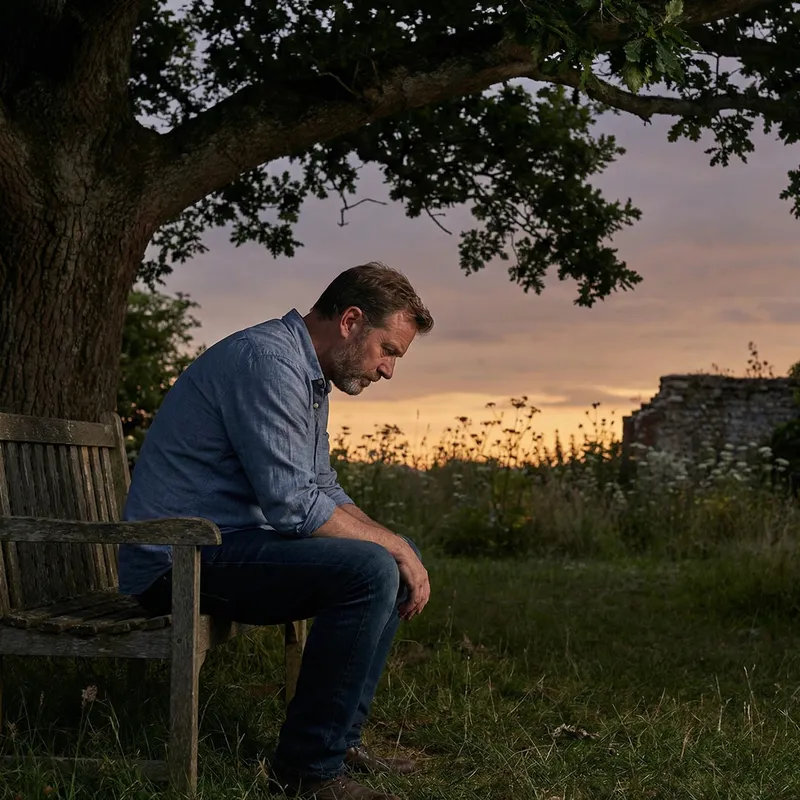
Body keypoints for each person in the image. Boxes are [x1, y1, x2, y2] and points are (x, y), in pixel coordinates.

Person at [118, 262, 434, 800]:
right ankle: (308, 773)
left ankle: (338, 740)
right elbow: (293, 507)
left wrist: (400, 546)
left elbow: (322, 486)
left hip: (224, 544)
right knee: (370, 569)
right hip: (176, 559)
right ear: (351, 320)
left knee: (390, 562)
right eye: (389, 350)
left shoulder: (307, 375)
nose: (388, 370)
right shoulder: (268, 362)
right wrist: (390, 548)